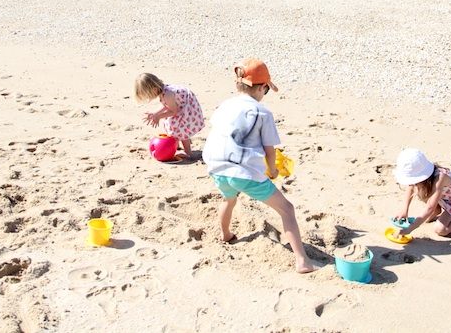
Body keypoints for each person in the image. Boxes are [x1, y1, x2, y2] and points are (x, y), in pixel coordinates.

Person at [202, 58, 318, 274]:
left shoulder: (226, 104)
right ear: (264, 87)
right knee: (287, 210)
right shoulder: (263, 113)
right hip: (243, 171)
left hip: (216, 165)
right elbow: (269, 149)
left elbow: (220, 128)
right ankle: (302, 261)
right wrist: (272, 170)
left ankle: (225, 234)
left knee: (229, 199)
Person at [392, 148, 451, 237]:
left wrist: (409, 229)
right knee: (418, 190)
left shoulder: (440, 179)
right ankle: (437, 210)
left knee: (440, 229)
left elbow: (429, 207)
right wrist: (404, 210)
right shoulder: (424, 172)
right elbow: (410, 186)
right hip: (446, 198)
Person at [134, 73, 205, 158]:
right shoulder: (162, 91)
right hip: (180, 105)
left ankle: (188, 152)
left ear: (154, 89)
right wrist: (155, 113)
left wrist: (159, 116)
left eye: (147, 95)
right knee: (171, 124)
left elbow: (173, 111)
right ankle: (176, 145)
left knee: (182, 128)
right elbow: (165, 105)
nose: (147, 98)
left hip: (188, 107)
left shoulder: (168, 94)